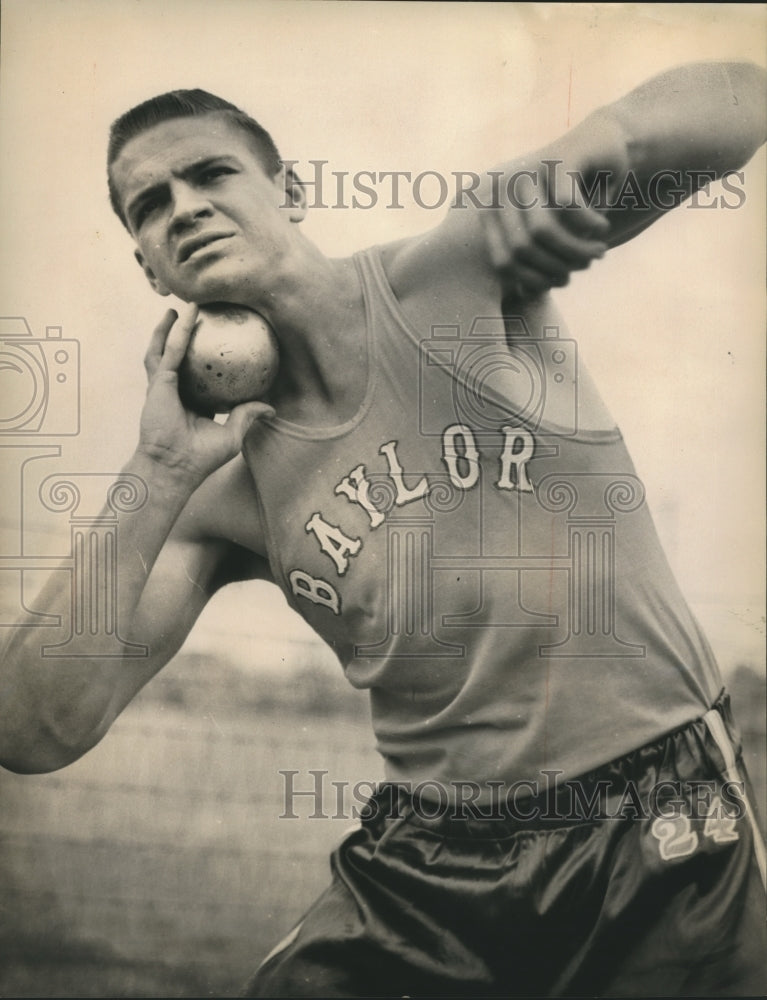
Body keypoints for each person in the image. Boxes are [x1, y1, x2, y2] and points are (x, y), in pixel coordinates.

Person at [1, 61, 766, 997]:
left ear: (290, 190)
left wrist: (588, 148)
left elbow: (741, 102)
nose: (184, 208)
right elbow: (33, 729)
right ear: (149, 266)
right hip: (431, 866)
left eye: (211, 174)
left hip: (657, 821)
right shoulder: (222, 490)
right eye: (149, 206)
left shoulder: (453, 279)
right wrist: (155, 471)